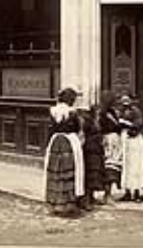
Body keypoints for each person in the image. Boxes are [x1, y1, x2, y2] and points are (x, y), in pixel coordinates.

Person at [44, 87, 85, 216]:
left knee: (56, 170)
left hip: (55, 142)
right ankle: (69, 203)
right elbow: (77, 128)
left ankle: (56, 202)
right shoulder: (73, 113)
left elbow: (50, 129)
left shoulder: (52, 112)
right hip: (69, 142)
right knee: (70, 170)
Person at [118, 94, 143, 202]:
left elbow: (139, 124)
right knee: (125, 165)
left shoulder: (136, 111)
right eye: (123, 100)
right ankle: (127, 191)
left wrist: (128, 124)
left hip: (135, 139)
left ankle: (136, 191)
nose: (125, 102)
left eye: (127, 100)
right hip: (124, 138)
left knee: (136, 165)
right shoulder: (119, 111)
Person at [99, 90, 123, 202]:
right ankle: (107, 193)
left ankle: (109, 192)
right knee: (109, 166)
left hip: (114, 140)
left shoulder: (112, 112)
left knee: (113, 165)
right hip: (108, 140)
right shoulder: (102, 114)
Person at [81, 105, 106, 208]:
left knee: (95, 174)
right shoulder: (88, 122)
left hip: (97, 150)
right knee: (89, 174)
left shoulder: (96, 121)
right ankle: (86, 199)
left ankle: (91, 197)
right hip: (90, 150)